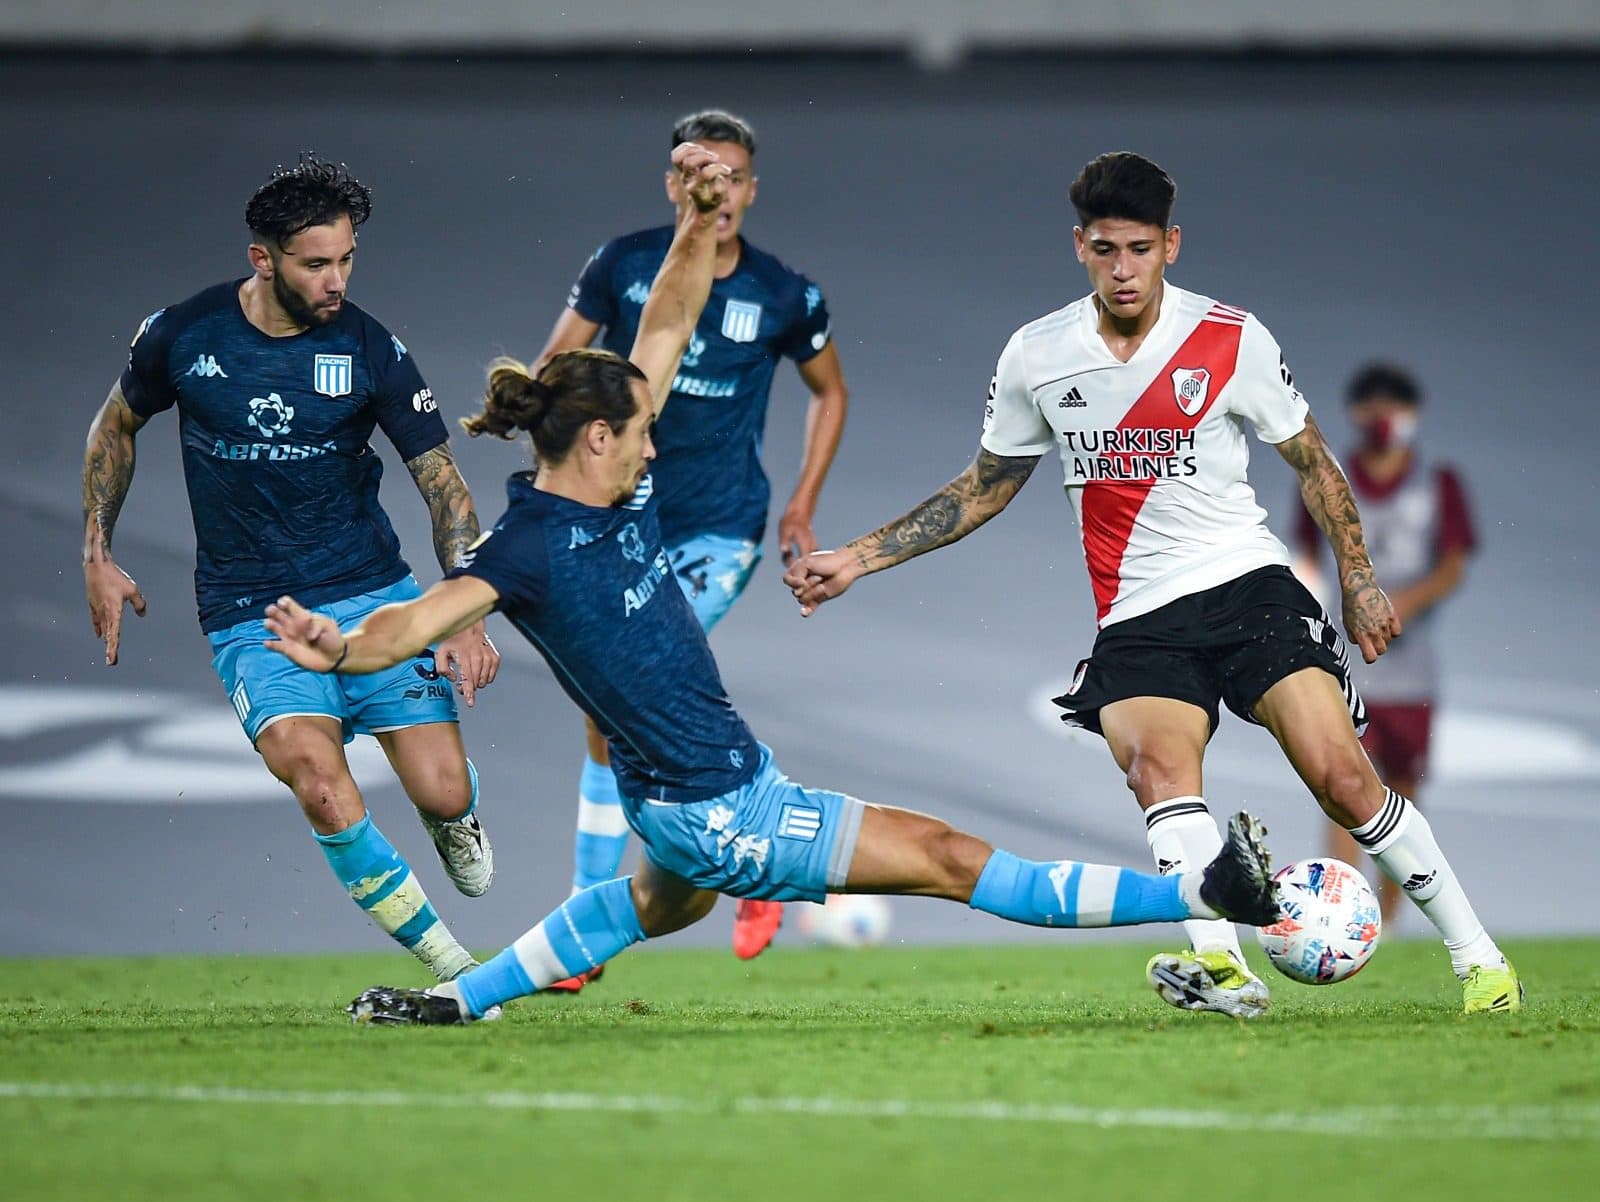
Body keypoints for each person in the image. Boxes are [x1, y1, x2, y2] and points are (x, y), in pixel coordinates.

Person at [262, 144, 1282, 1026]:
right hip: (723, 808)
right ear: (600, 436)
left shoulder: (614, 478)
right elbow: (414, 623)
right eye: (645, 429)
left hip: (684, 798)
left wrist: (698, 227)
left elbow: (666, 315)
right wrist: (338, 648)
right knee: (948, 857)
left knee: (654, 907)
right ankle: (1205, 887)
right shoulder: (526, 545)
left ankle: (458, 998)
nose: (658, 442)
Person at [785, 151, 1521, 1015]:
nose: (1123, 269)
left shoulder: (1230, 337)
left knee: (1345, 780)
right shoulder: (1038, 355)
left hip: (1248, 587)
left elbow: (1313, 461)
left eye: (1139, 248)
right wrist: (859, 559)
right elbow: (985, 485)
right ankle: (1225, 972)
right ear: (1079, 247)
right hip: (1139, 616)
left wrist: (1357, 577)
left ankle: (1482, 964)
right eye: (1105, 250)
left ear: (1171, 244)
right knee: (1157, 773)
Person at [82, 154, 498, 981]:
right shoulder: (184, 335)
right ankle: (453, 964)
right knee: (317, 777)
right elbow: (114, 427)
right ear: (262, 259)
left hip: (374, 597)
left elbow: (442, 483)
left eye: (346, 258)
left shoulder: (372, 349)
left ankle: (456, 815)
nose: (336, 279)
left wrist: (464, 608)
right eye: (316, 263)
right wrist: (97, 553)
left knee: (444, 791)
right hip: (251, 612)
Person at [534, 110, 849, 970]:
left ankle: (583, 920)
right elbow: (554, 366)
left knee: (629, 692)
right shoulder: (626, 266)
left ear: (751, 187)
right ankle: (753, 871)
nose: (722, 191)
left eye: (737, 176)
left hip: (721, 528)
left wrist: (800, 504)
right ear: (676, 184)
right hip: (621, 521)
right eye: (703, 174)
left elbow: (831, 393)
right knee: (634, 702)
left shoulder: (784, 294)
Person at [1291, 364, 1477, 925]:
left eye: (1391, 406)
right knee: (1343, 787)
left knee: (1402, 794)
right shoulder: (1327, 479)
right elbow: (1303, 555)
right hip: (1346, 658)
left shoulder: (1436, 484)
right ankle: (1332, 914)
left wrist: (1403, 605)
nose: (1380, 418)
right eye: (1369, 406)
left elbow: (1452, 566)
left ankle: (1387, 923)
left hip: (1411, 665)